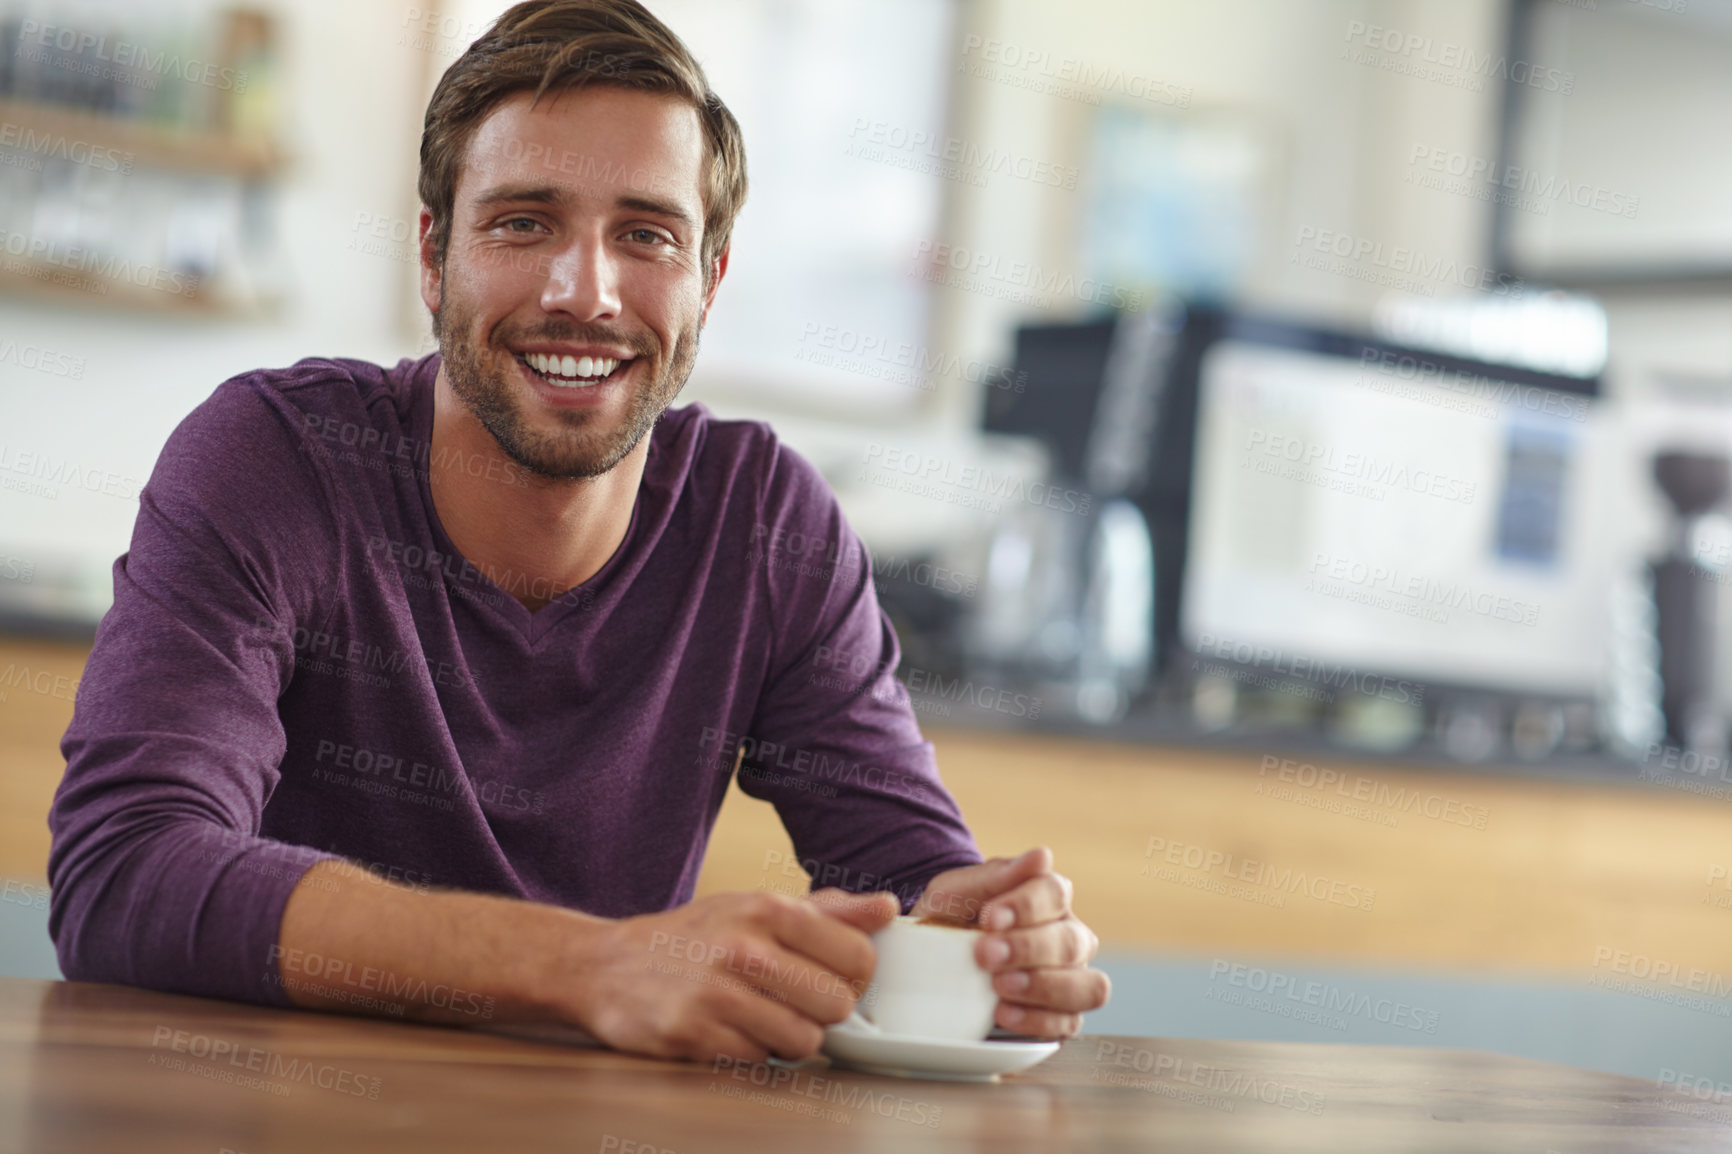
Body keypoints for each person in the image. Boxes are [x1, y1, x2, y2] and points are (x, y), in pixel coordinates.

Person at [47, 0, 1109, 1062]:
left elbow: (908, 875)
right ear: (434, 254)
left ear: (709, 281)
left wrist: (988, 936)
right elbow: (127, 870)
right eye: (522, 221)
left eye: (646, 235)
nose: (583, 293)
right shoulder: (273, 457)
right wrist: (585, 963)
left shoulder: (765, 521)